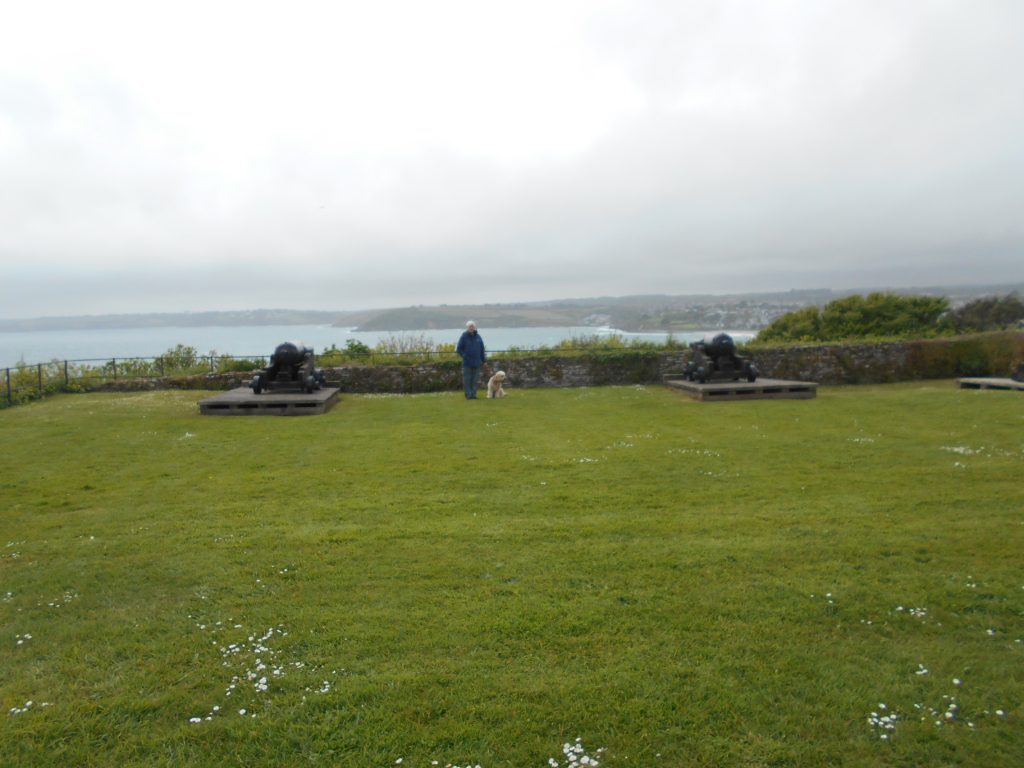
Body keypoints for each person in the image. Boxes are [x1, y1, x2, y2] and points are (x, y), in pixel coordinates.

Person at [456, 320, 486, 399]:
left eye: (472, 326)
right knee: (467, 380)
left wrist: (484, 361)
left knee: (475, 380)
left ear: (475, 327)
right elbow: (459, 349)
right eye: (470, 327)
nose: (471, 328)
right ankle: (468, 395)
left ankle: (474, 394)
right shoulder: (464, 337)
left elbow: (482, 350)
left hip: (477, 362)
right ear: (467, 328)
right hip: (467, 363)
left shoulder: (478, 337)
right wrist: (464, 356)